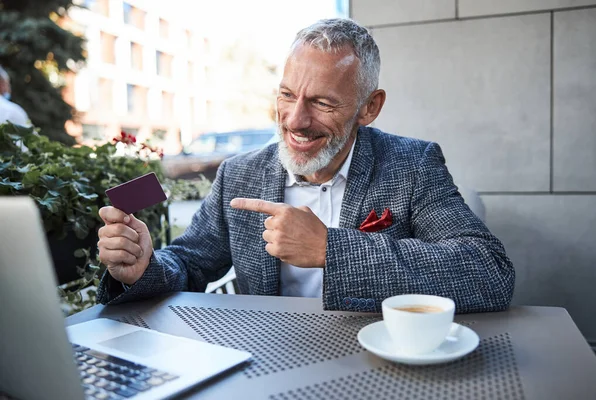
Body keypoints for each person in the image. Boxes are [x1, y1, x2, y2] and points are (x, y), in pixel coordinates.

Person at [97, 18, 514, 313]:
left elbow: (489, 272)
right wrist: (142, 269)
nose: (295, 120)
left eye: (322, 102)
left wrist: (331, 250)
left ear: (370, 107)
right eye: (287, 95)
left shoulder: (413, 166)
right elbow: (187, 265)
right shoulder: (240, 174)